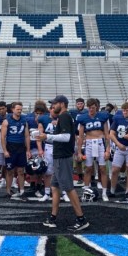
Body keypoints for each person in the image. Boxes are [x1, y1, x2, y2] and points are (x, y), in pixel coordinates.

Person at [40, 95, 90, 231]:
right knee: (55, 187)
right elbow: (62, 137)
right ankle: (52, 217)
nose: (52, 107)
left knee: (68, 188)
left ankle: (81, 219)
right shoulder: (63, 117)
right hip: (60, 156)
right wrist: (46, 138)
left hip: (63, 157)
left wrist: (47, 136)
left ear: (62, 104)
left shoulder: (64, 116)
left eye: (54, 104)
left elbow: (67, 137)